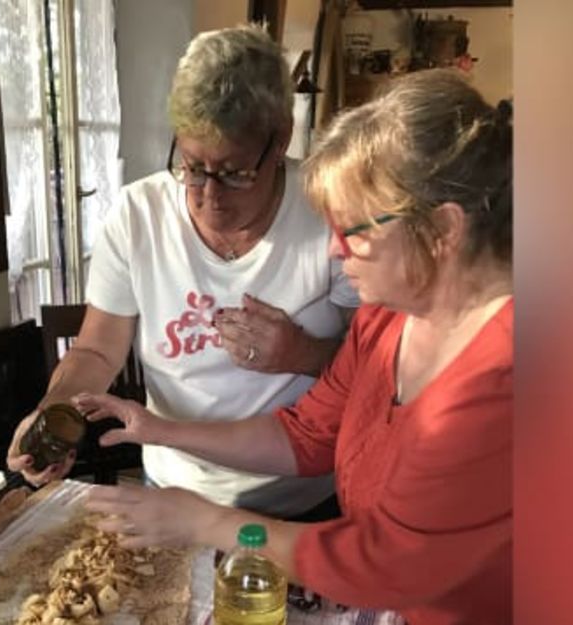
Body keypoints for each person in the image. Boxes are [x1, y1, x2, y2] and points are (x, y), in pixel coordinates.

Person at [77, 69, 513, 625]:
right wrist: (157, 428)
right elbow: (304, 435)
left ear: (443, 230)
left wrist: (203, 522)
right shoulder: (385, 319)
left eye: (355, 229)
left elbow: (383, 562)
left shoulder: (505, 374)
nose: (334, 252)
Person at [6, 24, 359, 522]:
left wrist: (301, 353)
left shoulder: (331, 208)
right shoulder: (137, 215)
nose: (209, 197)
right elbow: (96, 349)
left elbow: (377, 368)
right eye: (193, 167)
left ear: (279, 140)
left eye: (235, 172)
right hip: (175, 494)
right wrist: (55, 410)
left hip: (300, 499)